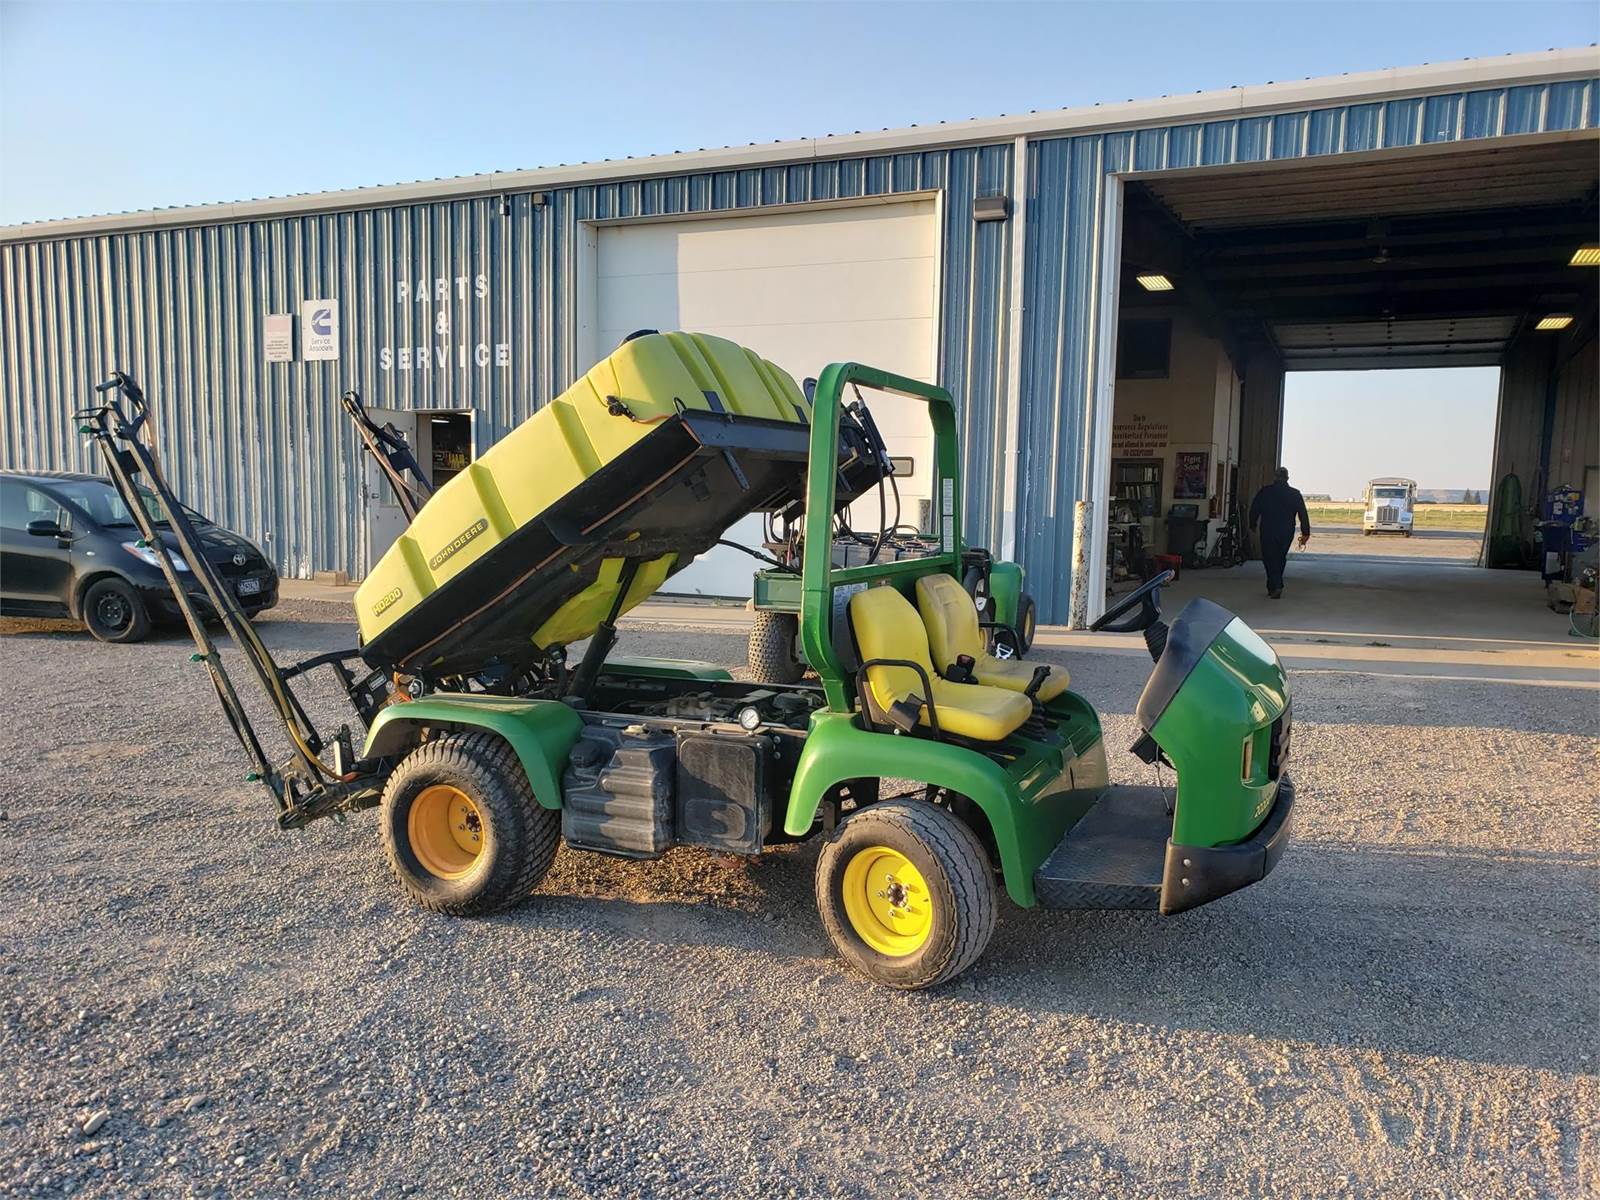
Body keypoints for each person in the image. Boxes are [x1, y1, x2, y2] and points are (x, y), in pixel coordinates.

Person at [1248, 466, 1311, 599]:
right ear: (1287, 478)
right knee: (1280, 557)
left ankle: (1276, 585)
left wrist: (1252, 524)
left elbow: (1254, 509)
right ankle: (1274, 585)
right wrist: (1305, 532)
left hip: (1268, 530)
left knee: (1268, 557)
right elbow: (1303, 514)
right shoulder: (1295, 494)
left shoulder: (1265, 492)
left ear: (1275, 477)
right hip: (1286, 531)